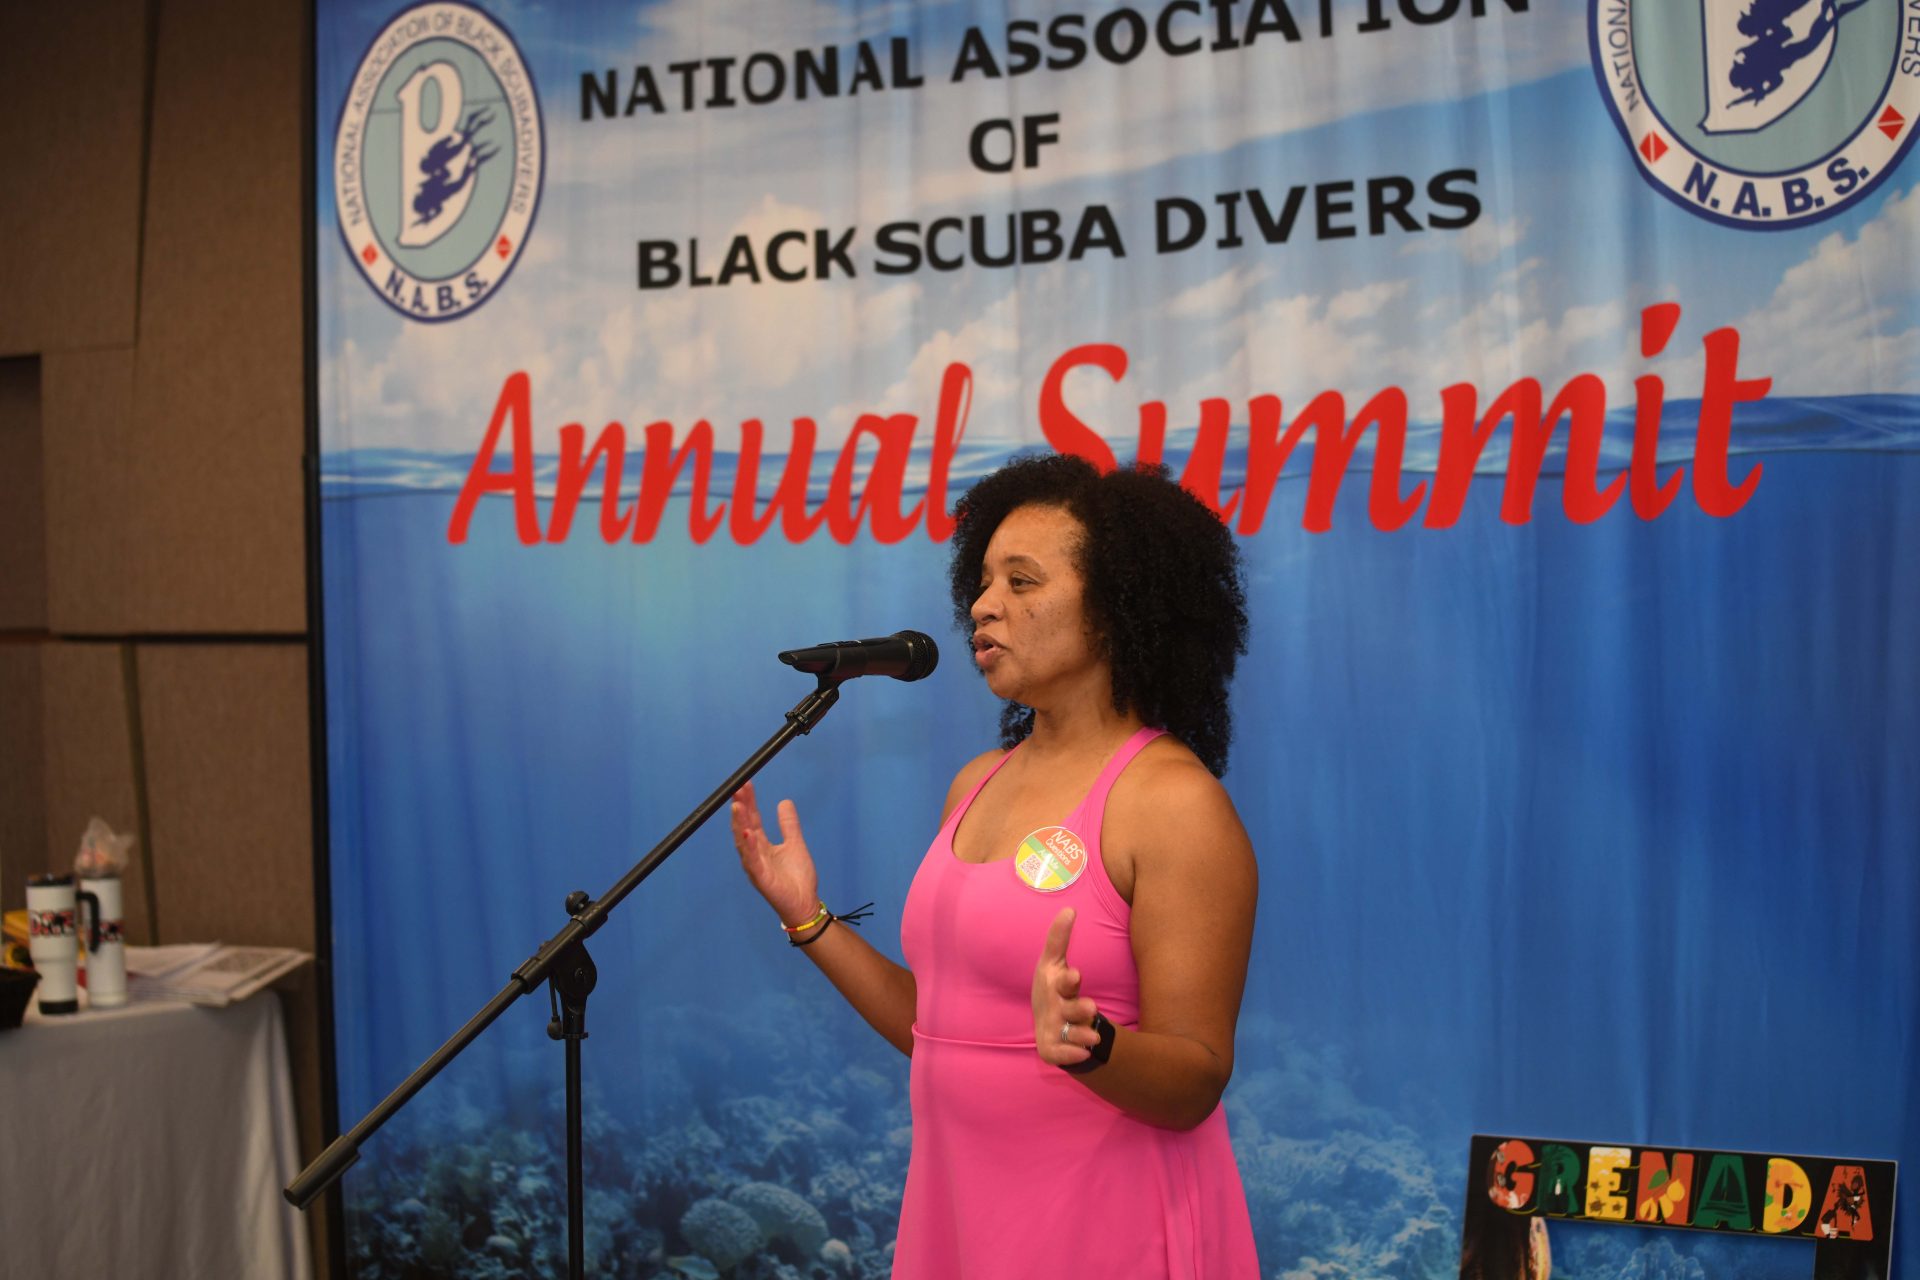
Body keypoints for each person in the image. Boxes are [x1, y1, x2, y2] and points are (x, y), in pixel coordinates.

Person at [731, 453, 1261, 1278]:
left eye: (1022, 582)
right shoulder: (976, 783)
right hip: (961, 1221)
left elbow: (1196, 1076)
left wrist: (1090, 1043)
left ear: (1116, 606)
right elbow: (941, 1029)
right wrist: (809, 918)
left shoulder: (1173, 803)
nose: (983, 606)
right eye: (981, 583)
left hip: (1107, 1231)